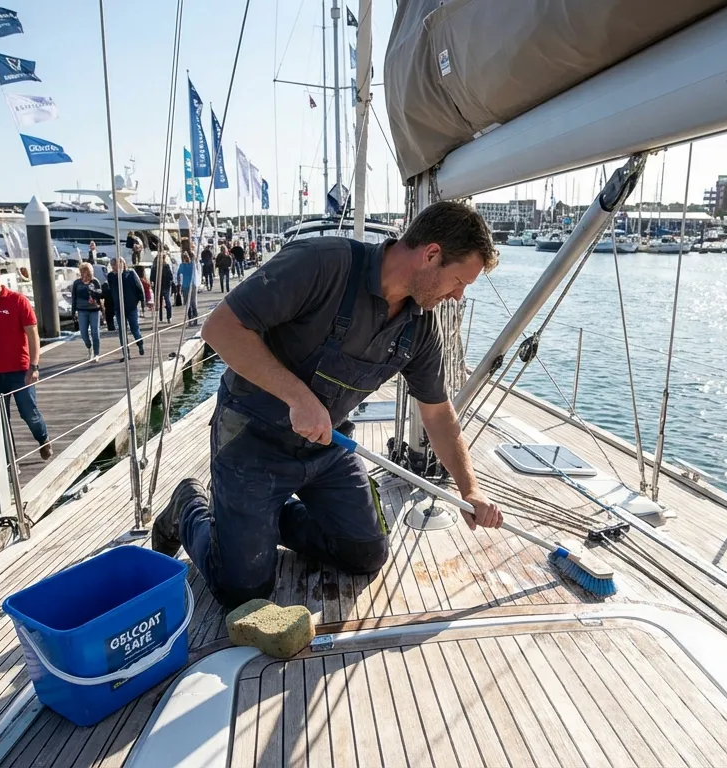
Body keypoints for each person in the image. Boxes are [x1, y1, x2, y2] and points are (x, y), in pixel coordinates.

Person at [151, 201, 502, 609]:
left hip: (328, 444)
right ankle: (189, 506)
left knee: (366, 552)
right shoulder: (322, 264)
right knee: (242, 591)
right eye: (459, 281)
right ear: (431, 255)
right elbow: (220, 328)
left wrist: (470, 490)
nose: (458, 296)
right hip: (252, 438)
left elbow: (439, 415)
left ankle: (261, 523)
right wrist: (298, 397)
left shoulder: (421, 328)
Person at [0, 260, 54, 460]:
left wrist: (34, 366)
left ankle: (43, 438)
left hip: (19, 370)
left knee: (28, 412)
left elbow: (33, 335)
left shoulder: (17, 301)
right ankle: (9, 460)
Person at [104, 257, 146, 359]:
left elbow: (139, 287)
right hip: (119, 308)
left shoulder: (130, 274)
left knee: (134, 329)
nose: (114, 267)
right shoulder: (111, 276)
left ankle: (140, 343)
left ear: (122, 264)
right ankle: (126, 354)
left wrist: (143, 301)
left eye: (116, 265)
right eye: (112, 265)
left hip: (131, 307)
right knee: (122, 331)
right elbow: (110, 291)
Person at [70, 261, 104, 359]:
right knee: (83, 333)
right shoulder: (77, 283)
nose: (84, 275)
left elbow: (100, 295)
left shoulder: (95, 281)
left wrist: (94, 297)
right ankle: (89, 347)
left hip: (94, 310)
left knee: (95, 332)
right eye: (82, 272)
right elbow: (74, 298)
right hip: (81, 310)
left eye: (86, 272)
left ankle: (96, 353)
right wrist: (73, 312)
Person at [176, 242, 200, 326]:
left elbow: (178, 274)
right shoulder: (192, 264)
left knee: (188, 304)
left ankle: (190, 319)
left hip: (185, 286)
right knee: (193, 302)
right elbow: (195, 259)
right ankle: (195, 318)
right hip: (192, 285)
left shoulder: (182, 266)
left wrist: (179, 283)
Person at [152, 252, 174, 323]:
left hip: (158, 287)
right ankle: (168, 317)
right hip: (166, 286)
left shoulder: (155, 267)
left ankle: (160, 317)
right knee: (167, 302)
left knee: (160, 303)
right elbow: (171, 276)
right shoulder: (166, 266)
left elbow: (152, 278)